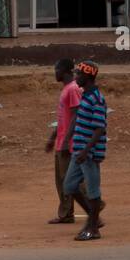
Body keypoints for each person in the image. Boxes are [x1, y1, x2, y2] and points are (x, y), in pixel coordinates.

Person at [63, 60, 107, 242]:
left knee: (93, 190)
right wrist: (67, 140)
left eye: (78, 75)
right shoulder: (85, 95)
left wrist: (86, 150)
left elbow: (99, 129)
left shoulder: (97, 99)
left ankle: (93, 228)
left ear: (88, 76)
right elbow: (77, 119)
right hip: (79, 151)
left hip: (88, 154)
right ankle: (93, 217)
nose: (76, 78)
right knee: (69, 186)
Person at [44, 57, 87, 224]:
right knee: (62, 179)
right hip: (62, 140)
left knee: (71, 179)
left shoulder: (73, 89)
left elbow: (77, 114)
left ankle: (94, 203)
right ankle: (66, 213)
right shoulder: (66, 90)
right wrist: (52, 138)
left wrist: (68, 138)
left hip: (69, 143)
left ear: (65, 71)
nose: (55, 73)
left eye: (57, 70)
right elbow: (63, 119)